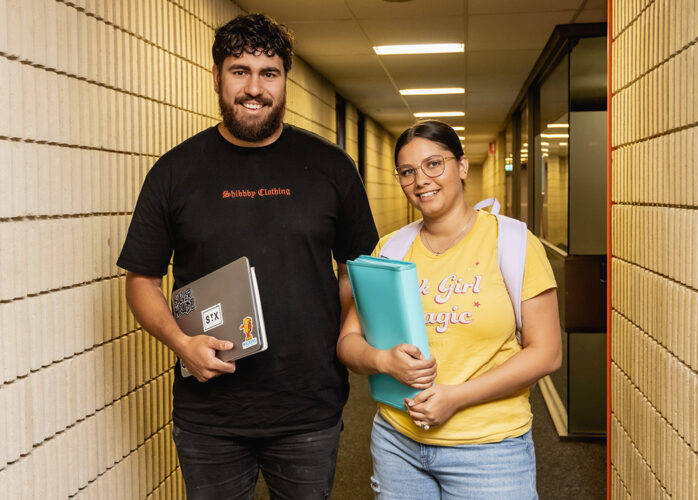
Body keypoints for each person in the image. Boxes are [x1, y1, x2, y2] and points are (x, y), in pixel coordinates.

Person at [116, 13, 378, 500]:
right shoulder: (174, 173)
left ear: (285, 82)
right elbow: (142, 281)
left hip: (308, 408)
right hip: (210, 415)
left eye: (269, 73)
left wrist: (339, 338)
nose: (254, 88)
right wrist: (180, 343)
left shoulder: (331, 168)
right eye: (240, 71)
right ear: (216, 76)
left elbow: (357, 271)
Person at [337, 121, 562, 499]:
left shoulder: (511, 242)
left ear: (461, 166)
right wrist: (382, 360)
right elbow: (348, 342)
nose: (420, 180)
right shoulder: (389, 250)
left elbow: (547, 353)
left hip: (490, 449)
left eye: (433, 164)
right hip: (398, 443)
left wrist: (456, 397)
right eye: (407, 172)